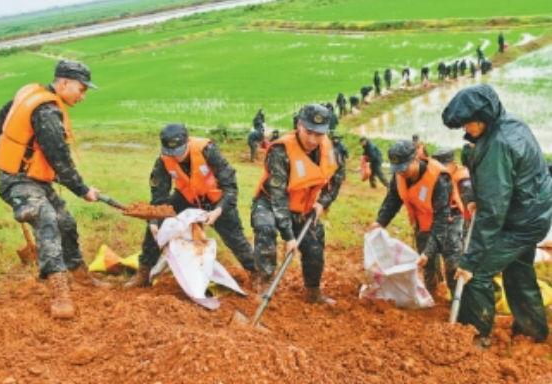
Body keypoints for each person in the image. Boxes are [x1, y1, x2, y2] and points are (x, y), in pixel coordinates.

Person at [0, 60, 110, 320]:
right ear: (65, 82)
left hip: (34, 178)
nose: (83, 96)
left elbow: (0, 116)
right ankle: (59, 292)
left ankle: (79, 274)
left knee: (65, 221)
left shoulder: (32, 94)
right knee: (46, 219)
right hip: (17, 181)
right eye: (81, 89)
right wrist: (84, 190)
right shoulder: (46, 111)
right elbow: (60, 160)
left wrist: (10, 150)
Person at [442, 84, 552, 347]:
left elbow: (492, 213)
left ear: (484, 117)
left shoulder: (499, 145)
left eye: (469, 124)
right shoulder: (510, 123)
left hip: (519, 222)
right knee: (519, 271)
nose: (466, 130)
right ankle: (532, 330)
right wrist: (474, 200)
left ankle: (478, 336)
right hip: (534, 214)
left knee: (476, 274)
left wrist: (470, 260)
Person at [125, 123, 257, 289]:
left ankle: (256, 273)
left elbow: (230, 187)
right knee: (157, 222)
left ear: (187, 141)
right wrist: (153, 220)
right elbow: (159, 196)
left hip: (215, 199)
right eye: (170, 153)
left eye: (179, 151)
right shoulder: (163, 160)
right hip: (186, 198)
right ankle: (144, 272)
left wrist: (218, 210)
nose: (175, 157)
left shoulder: (208, 151)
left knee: (235, 237)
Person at [251, 104, 344, 304]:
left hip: (304, 207)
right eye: (308, 132)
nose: (312, 139)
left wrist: (323, 202)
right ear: (300, 125)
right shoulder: (280, 151)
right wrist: (288, 236)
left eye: (318, 134)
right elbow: (278, 196)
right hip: (269, 202)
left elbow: (337, 178)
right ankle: (263, 288)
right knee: (265, 229)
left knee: (314, 247)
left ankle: (313, 292)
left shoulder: (330, 150)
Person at [367, 140, 452, 295]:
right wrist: (380, 222)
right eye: (397, 169)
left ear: (415, 159)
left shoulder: (438, 178)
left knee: (452, 261)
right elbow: (393, 199)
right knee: (426, 263)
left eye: (404, 167)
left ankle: (456, 299)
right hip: (423, 221)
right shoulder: (399, 176)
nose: (401, 172)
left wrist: (430, 250)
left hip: (448, 221)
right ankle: (431, 295)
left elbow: (442, 218)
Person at [432, 148, 474, 296]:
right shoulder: (436, 175)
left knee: (453, 256)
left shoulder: (463, 178)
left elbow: (469, 201)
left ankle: (458, 293)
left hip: (458, 217)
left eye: (444, 165)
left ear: (453, 163)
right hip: (441, 216)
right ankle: (442, 287)